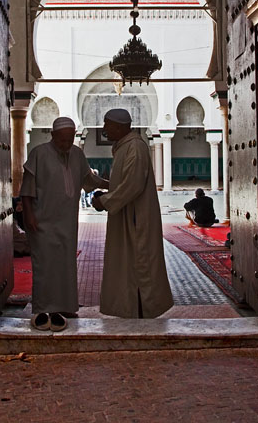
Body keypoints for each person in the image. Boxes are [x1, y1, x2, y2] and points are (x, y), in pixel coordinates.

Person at [20, 116, 108, 332]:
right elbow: (27, 189)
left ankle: (64, 307)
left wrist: (112, 184)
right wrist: (29, 215)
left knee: (65, 265)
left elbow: (88, 180)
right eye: (62, 140)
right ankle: (42, 309)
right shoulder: (39, 154)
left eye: (69, 140)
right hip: (42, 221)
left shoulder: (76, 154)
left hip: (67, 222)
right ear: (52, 135)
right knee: (44, 266)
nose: (66, 144)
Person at [91, 108, 173, 319]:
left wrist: (105, 201)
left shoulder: (135, 147)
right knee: (126, 263)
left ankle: (142, 309)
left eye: (107, 125)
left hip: (136, 218)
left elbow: (132, 185)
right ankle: (129, 307)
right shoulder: (124, 146)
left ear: (120, 127)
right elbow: (124, 182)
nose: (105, 129)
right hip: (126, 215)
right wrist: (104, 189)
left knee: (138, 261)